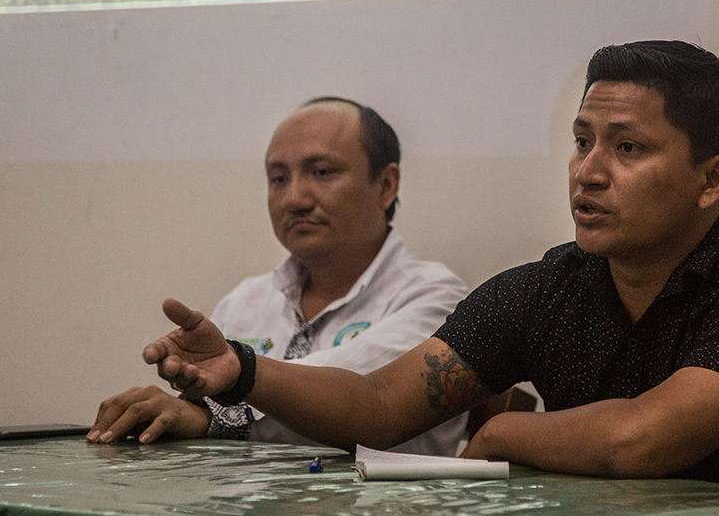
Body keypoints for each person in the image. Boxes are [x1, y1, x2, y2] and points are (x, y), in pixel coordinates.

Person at [91, 41, 719, 495]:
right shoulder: (546, 290)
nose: (588, 171)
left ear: (713, 179)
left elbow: (637, 441)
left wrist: (507, 435)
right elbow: (379, 405)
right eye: (581, 141)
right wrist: (243, 370)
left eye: (627, 148)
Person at [90, 96, 470, 456]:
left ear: (386, 185)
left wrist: (218, 406)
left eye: (322, 173)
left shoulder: (436, 296)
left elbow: (370, 398)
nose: (294, 199)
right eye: (278, 179)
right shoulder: (245, 301)